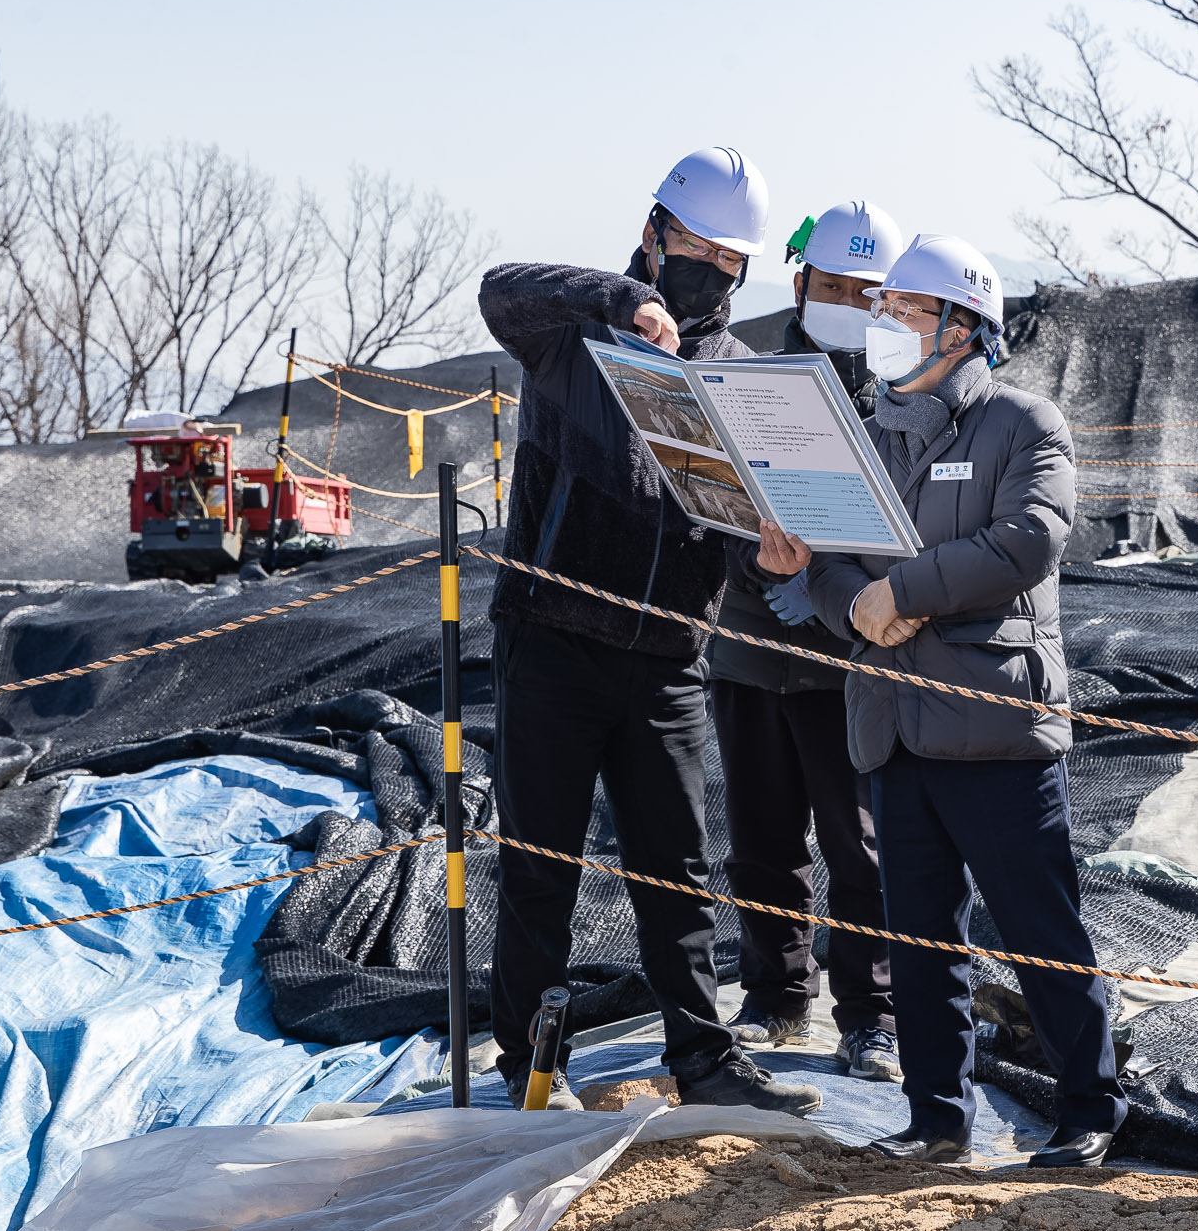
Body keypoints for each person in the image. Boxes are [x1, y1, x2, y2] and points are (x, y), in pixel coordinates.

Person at [476, 145, 820, 1117]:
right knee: (539, 862)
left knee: (674, 872)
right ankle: (525, 1062)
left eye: (727, 257)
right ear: (652, 231)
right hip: (551, 639)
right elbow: (501, 288)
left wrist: (775, 555)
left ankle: (703, 1054)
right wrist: (621, 300)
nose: (707, 269)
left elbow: (753, 528)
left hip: (669, 655)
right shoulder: (574, 334)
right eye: (692, 246)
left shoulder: (747, 377)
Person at [799, 233, 1125, 1168]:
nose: (886, 326)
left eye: (905, 310)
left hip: (995, 723)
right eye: (885, 310)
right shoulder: (865, 436)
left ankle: (1090, 1108)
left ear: (963, 327)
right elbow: (832, 569)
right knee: (919, 938)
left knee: (1037, 927)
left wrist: (902, 593)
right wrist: (848, 599)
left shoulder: (1025, 424)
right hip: (894, 721)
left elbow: (1027, 541)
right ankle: (937, 1114)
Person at [712, 200, 905, 1080]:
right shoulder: (749, 377)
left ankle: (872, 1012)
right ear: (799, 282)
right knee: (760, 835)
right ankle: (774, 995)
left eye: (869, 293)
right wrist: (766, 576)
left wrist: (833, 593)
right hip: (752, 645)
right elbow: (717, 503)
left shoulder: (901, 393)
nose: (848, 303)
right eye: (833, 286)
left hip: (849, 655)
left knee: (856, 840)